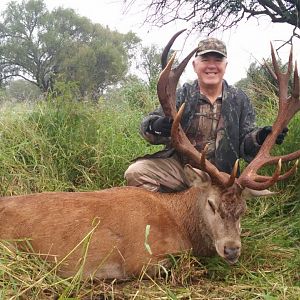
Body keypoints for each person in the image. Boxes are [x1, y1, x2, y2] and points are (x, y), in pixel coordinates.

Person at [124, 37, 288, 192]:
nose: (211, 66)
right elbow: (147, 127)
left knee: (245, 194)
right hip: (183, 172)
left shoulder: (239, 99)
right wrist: (156, 126)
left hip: (223, 178)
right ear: (195, 65)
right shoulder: (182, 95)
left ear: (225, 65)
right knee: (136, 172)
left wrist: (260, 137)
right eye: (205, 60)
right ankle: (168, 213)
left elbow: (245, 143)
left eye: (217, 60)